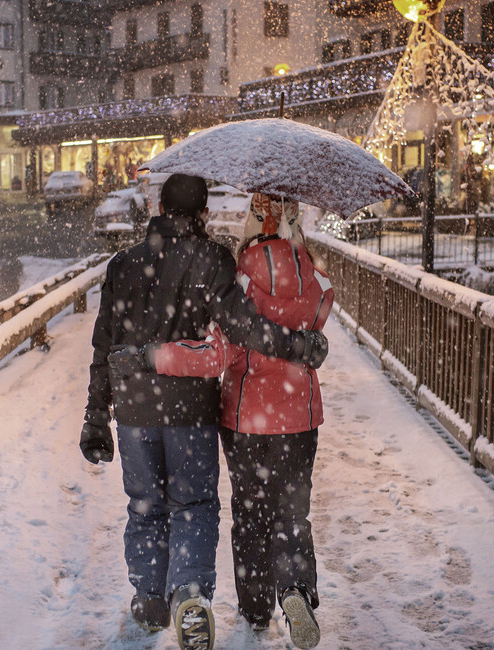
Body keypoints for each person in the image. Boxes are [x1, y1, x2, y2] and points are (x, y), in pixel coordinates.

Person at [82, 174, 328, 650]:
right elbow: (242, 328)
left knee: (145, 507)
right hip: (192, 410)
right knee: (194, 505)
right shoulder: (213, 259)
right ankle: (191, 595)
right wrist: (297, 345)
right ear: (202, 212)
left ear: (157, 206)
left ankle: (150, 598)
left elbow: (103, 346)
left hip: (134, 410)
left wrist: (96, 414)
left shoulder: (124, 264)